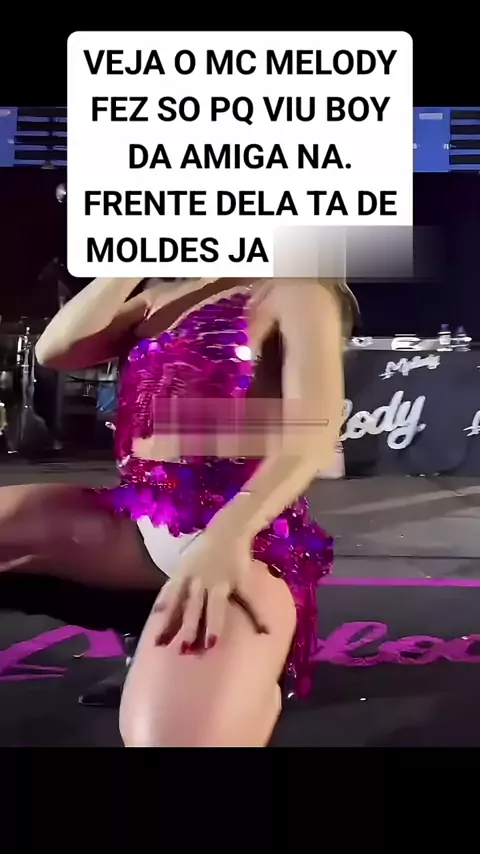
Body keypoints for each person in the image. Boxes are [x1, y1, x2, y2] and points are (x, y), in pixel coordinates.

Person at [0, 275, 357, 747]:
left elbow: (312, 431)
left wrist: (228, 535)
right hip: (138, 514)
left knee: (173, 738)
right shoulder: (155, 300)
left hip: (242, 535)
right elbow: (55, 351)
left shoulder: (293, 291)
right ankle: (150, 637)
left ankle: (246, 680)